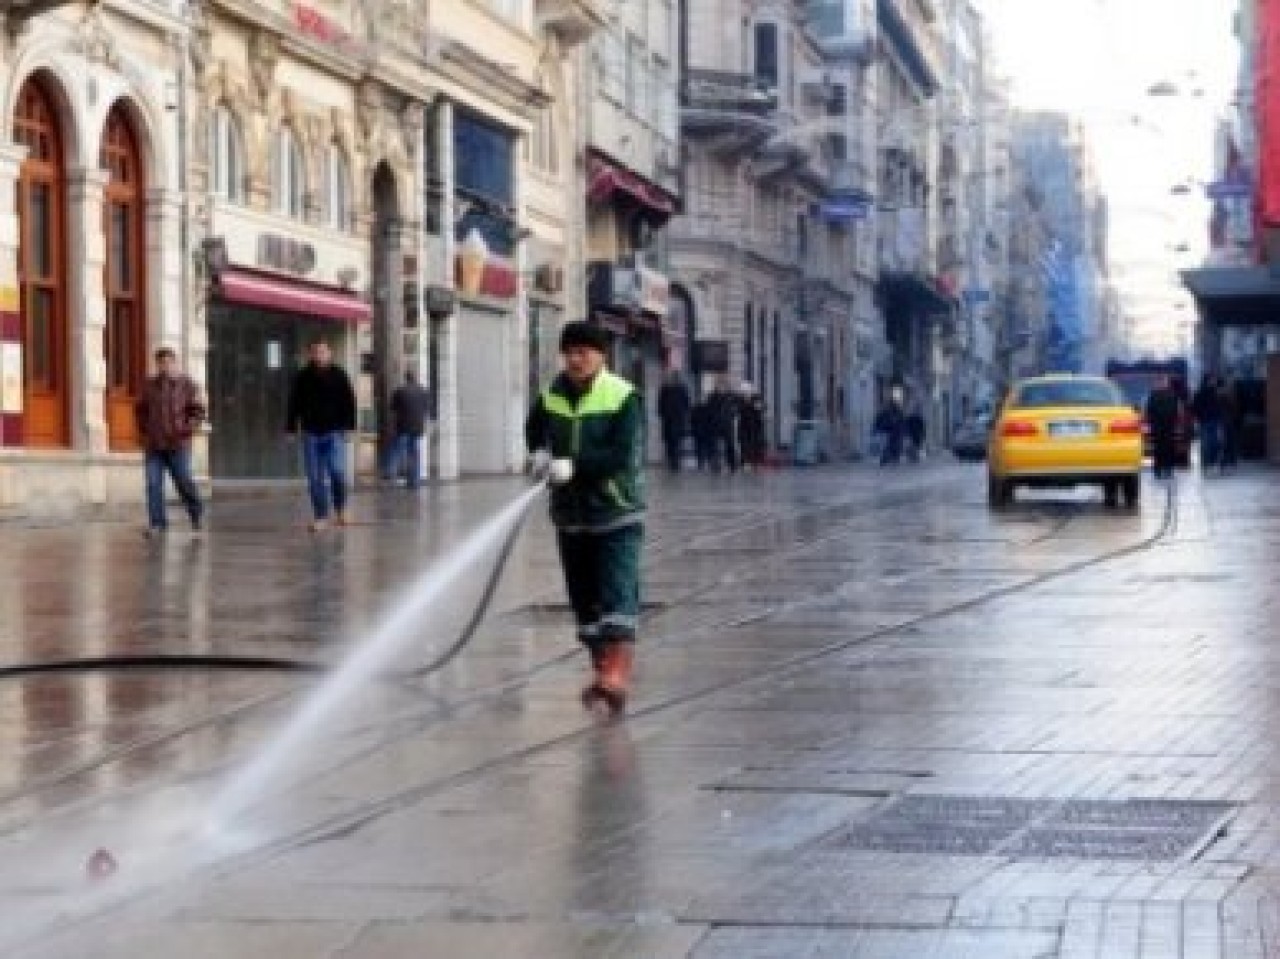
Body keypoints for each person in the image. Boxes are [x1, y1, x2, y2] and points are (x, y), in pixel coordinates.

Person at [525, 321, 646, 715]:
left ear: (601, 355)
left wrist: (571, 466)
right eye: (570, 352)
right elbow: (534, 431)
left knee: (617, 595)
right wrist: (539, 453)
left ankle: (616, 675)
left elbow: (619, 456)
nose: (576, 359)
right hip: (570, 515)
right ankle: (601, 671)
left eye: (584, 352)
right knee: (584, 603)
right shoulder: (551, 395)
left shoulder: (623, 396)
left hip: (615, 512)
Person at [287, 340, 357, 532]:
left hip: (334, 432)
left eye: (323, 351)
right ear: (310, 354)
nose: (319, 355)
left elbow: (349, 402)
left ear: (330, 353)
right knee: (314, 478)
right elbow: (294, 403)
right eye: (316, 352)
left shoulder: (339, 375)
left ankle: (341, 508)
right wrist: (291, 427)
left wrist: (349, 427)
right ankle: (320, 516)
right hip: (311, 433)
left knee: (337, 471)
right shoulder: (303, 377)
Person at [135, 347, 206, 536]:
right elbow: (140, 411)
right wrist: (143, 432)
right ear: (157, 364)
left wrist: (186, 428)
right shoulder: (149, 385)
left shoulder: (188, 385)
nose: (165, 366)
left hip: (178, 444)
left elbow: (198, 411)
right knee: (153, 484)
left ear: (175, 363)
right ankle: (157, 523)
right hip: (154, 445)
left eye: (169, 362)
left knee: (183, 481)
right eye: (161, 363)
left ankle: (196, 513)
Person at [386, 369, 431, 489]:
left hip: (403, 427)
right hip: (417, 428)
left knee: (397, 450)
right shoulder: (423, 392)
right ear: (415, 378)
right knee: (414, 453)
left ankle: (392, 475)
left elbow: (392, 410)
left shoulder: (400, 391)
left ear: (406, 378)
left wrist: (391, 427)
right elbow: (426, 410)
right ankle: (414, 481)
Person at [1145, 374, 1182, 480]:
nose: (1162, 383)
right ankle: (1159, 468)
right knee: (1159, 448)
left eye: (1164, 381)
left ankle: (1168, 468)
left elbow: (1175, 410)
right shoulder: (1154, 395)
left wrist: (1175, 421)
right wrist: (1151, 422)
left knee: (1169, 447)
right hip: (1158, 426)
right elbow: (1149, 410)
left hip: (1168, 425)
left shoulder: (1171, 395)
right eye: (1160, 381)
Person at [656, 371, 692, 473]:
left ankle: (675, 462)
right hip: (668, 419)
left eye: (673, 377)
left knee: (676, 441)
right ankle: (672, 461)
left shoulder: (681, 389)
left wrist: (685, 416)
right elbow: (661, 403)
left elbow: (687, 404)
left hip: (677, 419)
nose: (671, 379)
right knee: (669, 441)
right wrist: (662, 414)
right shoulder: (665, 389)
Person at [708, 376, 741, 473]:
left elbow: (737, 407)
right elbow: (709, 409)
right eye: (718, 384)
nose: (720, 386)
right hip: (715, 424)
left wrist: (732, 414)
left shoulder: (731, 396)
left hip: (727, 423)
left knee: (730, 444)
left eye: (722, 384)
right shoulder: (712, 397)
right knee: (714, 445)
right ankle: (716, 464)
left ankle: (732, 465)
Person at [1192, 373, 1222, 473]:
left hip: (1207, 420)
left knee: (1208, 442)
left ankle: (1207, 463)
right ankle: (1209, 463)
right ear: (1207, 381)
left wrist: (1198, 417)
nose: (1213, 382)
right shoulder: (1213, 393)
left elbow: (1194, 407)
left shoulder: (1203, 393)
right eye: (1211, 380)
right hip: (1210, 420)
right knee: (1211, 442)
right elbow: (1217, 406)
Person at [739, 386, 767, 471]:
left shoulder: (756, 402)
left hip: (755, 429)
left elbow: (762, 410)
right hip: (746, 429)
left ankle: (755, 462)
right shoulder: (742, 404)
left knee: (756, 445)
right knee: (746, 446)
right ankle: (747, 462)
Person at [874, 397, 905, 467]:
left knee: (889, 446)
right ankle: (887, 459)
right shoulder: (887, 413)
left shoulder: (894, 413)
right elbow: (878, 421)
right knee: (888, 446)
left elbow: (901, 423)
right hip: (889, 432)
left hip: (891, 432)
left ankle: (888, 459)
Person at [690, 398, 715, 471]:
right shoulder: (710, 410)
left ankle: (701, 462)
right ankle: (711, 461)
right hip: (708, 431)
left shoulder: (695, 410)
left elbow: (692, 421)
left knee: (700, 447)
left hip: (699, 431)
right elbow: (712, 420)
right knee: (709, 447)